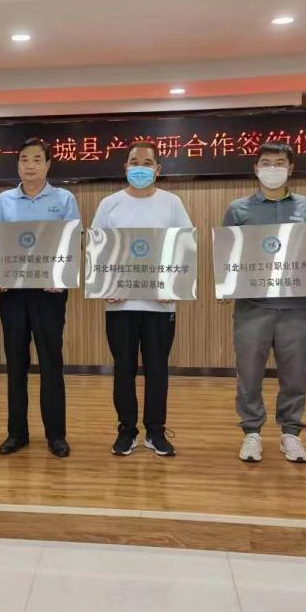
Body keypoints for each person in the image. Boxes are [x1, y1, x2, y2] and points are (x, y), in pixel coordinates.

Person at [91, 142, 192, 457]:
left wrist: (172, 286)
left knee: (157, 369)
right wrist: (105, 284)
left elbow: (185, 247)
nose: (140, 167)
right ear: (125, 167)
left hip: (160, 304)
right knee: (123, 369)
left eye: (147, 163)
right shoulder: (110, 204)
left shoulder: (172, 203)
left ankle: (155, 431)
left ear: (158, 169)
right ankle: (126, 430)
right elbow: (96, 249)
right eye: (134, 162)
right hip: (120, 304)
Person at [223, 142, 306, 464]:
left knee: (295, 374)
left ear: (290, 169)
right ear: (256, 168)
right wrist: (225, 285)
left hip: (295, 306)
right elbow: (228, 254)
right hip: (253, 306)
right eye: (266, 162)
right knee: (249, 373)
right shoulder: (239, 209)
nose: (272, 168)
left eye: (280, 162)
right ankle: (251, 433)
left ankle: (291, 433)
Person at [0, 137, 80, 457]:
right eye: (24, 159)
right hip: (13, 294)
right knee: (16, 364)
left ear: (48, 164)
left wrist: (61, 277)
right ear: (17, 165)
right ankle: (17, 433)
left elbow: (72, 243)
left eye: (37, 159)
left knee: (51, 362)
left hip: (49, 293)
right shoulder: (4, 200)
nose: (30, 165)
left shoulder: (64, 198)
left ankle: (56, 435)